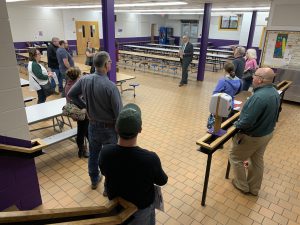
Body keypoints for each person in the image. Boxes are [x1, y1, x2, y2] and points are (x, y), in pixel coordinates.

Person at [100, 103, 168, 225]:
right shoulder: (150, 159)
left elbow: (104, 172)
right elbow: (162, 180)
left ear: (116, 128)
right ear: (140, 129)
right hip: (141, 210)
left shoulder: (106, 152)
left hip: (116, 206)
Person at [68, 51, 123, 190]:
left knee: (93, 154)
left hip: (92, 126)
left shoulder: (84, 80)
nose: (111, 63)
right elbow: (119, 114)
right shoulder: (110, 87)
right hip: (109, 129)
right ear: (106, 65)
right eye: (110, 61)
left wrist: (85, 107)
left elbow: (71, 95)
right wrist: (119, 132)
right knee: (110, 159)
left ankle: (94, 179)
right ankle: (108, 187)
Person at [229, 68, 280, 196]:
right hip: (267, 133)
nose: (252, 78)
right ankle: (254, 188)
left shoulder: (258, 97)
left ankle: (242, 185)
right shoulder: (274, 91)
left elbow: (247, 122)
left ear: (260, 79)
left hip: (253, 136)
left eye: (254, 75)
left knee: (235, 157)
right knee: (257, 160)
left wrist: (236, 125)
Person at [65, 67, 89, 158]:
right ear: (78, 76)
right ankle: (82, 149)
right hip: (80, 111)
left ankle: (83, 148)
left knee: (84, 129)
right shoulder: (77, 86)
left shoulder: (68, 84)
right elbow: (82, 99)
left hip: (74, 111)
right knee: (82, 131)